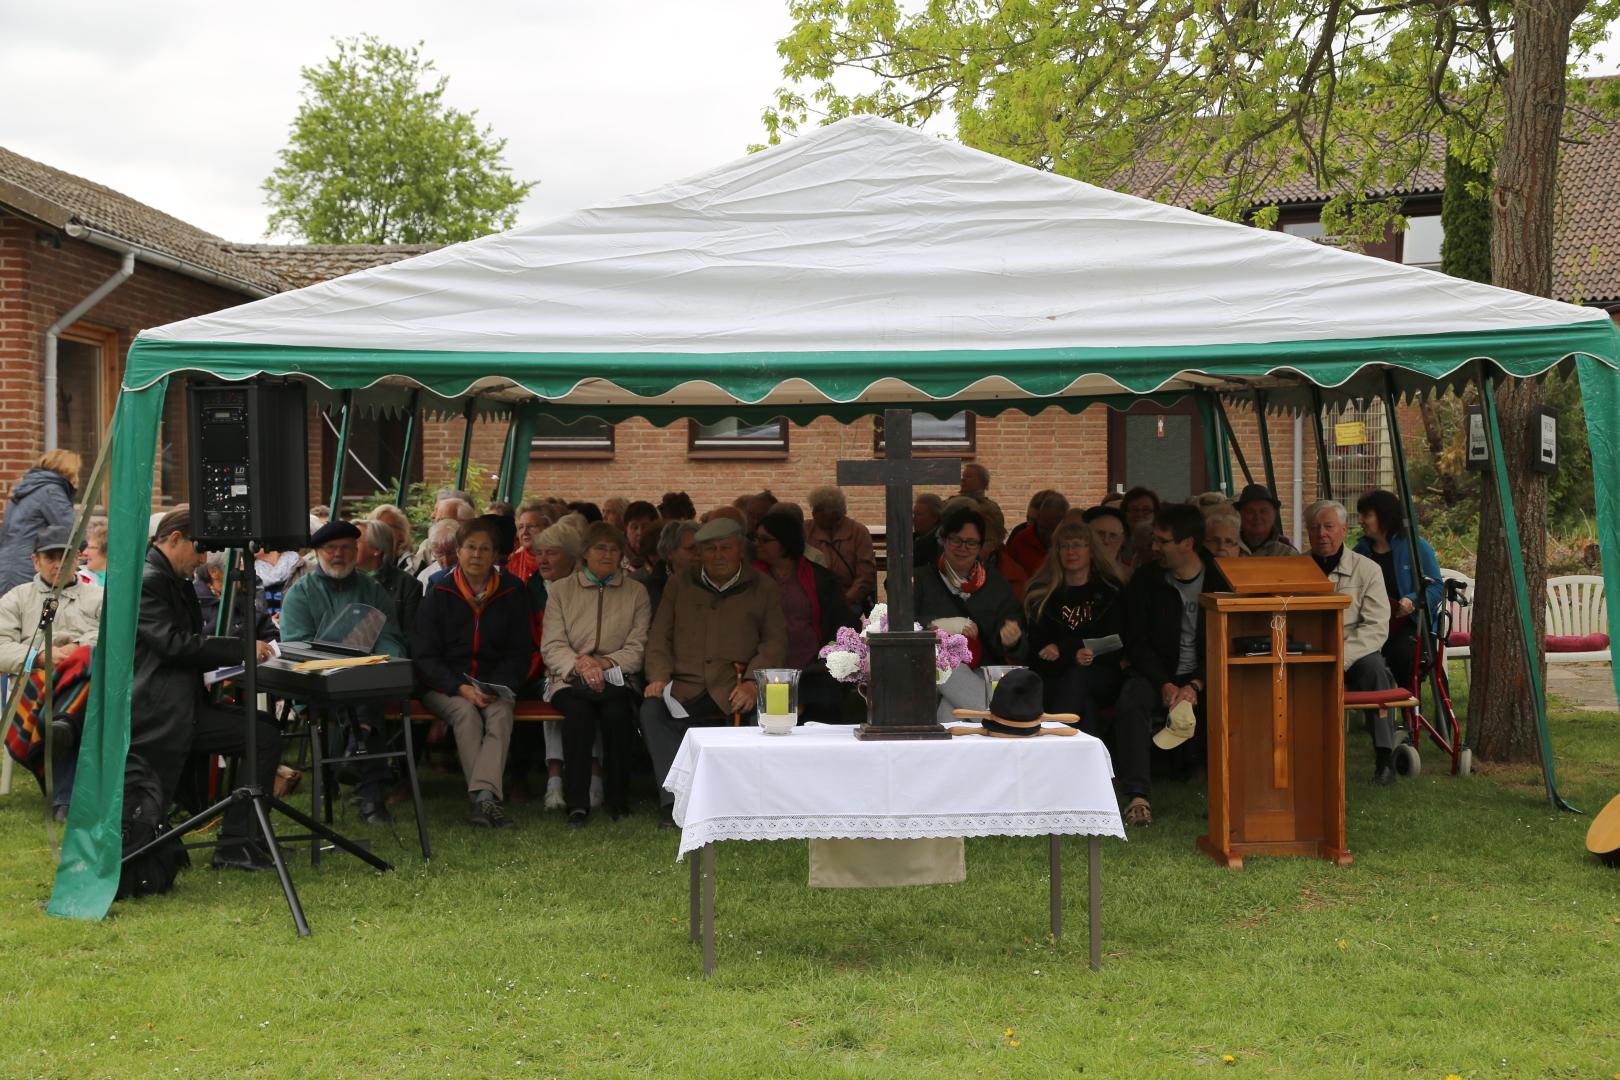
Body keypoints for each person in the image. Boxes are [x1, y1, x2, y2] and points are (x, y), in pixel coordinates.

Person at [127, 510, 282, 871]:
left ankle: (242, 840)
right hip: (161, 712)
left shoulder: (168, 577)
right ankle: (236, 844)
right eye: (199, 550)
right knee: (263, 736)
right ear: (175, 538)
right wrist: (240, 649)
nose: (201, 561)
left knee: (265, 731)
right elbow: (173, 644)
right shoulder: (151, 580)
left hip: (178, 703)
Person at [641, 517, 788, 826]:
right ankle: (675, 804)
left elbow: (774, 642)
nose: (718, 555)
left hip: (733, 686)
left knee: (765, 717)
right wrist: (658, 676)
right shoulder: (679, 583)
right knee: (652, 712)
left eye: (725, 548)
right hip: (684, 685)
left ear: (741, 552)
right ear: (699, 553)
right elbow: (659, 637)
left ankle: (743, 804)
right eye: (709, 549)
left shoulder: (763, 587)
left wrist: (752, 682)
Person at [280, 520, 410, 824]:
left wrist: (383, 661)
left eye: (345, 548)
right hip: (316, 681)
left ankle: (355, 752)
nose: (338, 554)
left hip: (365, 678)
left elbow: (390, 636)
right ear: (317, 553)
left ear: (356, 550)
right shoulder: (300, 594)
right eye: (330, 548)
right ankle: (371, 796)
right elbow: (297, 646)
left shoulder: (372, 588)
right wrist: (341, 665)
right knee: (362, 699)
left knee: (366, 690)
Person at [414, 518, 535, 828]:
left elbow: (521, 650)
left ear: (496, 555)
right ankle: (486, 800)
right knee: (465, 714)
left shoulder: (512, 590)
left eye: (485, 549)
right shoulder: (439, 589)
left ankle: (482, 801)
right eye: (470, 548)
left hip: (494, 684)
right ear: (458, 551)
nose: (477, 555)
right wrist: (459, 687)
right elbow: (424, 655)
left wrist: (499, 686)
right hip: (443, 686)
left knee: (500, 714)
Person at [1114, 504, 1230, 827]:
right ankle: (1137, 795)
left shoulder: (1222, 578)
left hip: (1207, 675)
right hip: (1156, 673)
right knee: (1131, 701)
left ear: (1188, 543)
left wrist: (1197, 684)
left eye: (1163, 541)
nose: (1154, 548)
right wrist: (1165, 683)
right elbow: (1136, 641)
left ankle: (1231, 792)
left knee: (1237, 700)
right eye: (1154, 539)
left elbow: (1230, 642)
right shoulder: (1146, 580)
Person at [540, 521, 651, 826]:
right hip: (568, 676)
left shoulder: (636, 592)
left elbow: (637, 646)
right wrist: (581, 665)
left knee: (617, 713)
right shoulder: (562, 590)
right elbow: (552, 644)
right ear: (585, 552)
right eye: (600, 548)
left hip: (617, 676)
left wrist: (603, 664)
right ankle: (577, 803)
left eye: (614, 549)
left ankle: (617, 799)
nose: (608, 554)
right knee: (578, 714)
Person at [0, 525, 103, 819]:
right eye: (51, 556)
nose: (59, 563)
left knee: (88, 664)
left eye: (66, 556)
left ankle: (64, 799)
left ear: (79, 558)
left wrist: (78, 649)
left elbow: (117, 635)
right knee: (75, 703)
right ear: (36, 561)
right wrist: (40, 657)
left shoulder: (99, 597)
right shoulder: (17, 599)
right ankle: (65, 725)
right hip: (36, 683)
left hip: (84, 677)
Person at [1306, 499, 1397, 785]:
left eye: (1329, 527)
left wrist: (1341, 656)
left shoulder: (1367, 570)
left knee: (1377, 672)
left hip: (1353, 652)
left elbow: (1376, 627)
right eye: (1315, 528)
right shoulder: (1294, 567)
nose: (1322, 534)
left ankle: (1385, 759)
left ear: (1344, 530)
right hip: (1305, 652)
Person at [915, 506, 1026, 724]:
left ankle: (990, 719)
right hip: (930, 670)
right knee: (946, 664)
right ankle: (1000, 719)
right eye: (956, 540)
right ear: (944, 541)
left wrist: (1011, 639)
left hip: (982, 672)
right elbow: (900, 623)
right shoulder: (921, 579)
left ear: (981, 547)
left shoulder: (996, 584)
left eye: (971, 542)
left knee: (950, 710)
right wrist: (942, 624)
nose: (963, 548)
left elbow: (1017, 644)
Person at [753, 509, 858, 722]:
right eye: (755, 538)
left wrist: (828, 658)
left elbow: (841, 622)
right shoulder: (749, 578)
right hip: (764, 669)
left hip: (812, 669)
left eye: (765, 540)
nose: (757, 544)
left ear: (785, 542)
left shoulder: (819, 577)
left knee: (823, 712)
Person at [1023, 521, 1125, 732]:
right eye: (1064, 546)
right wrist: (1071, 655)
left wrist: (1067, 649)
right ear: (1056, 552)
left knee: (1079, 676)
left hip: (1101, 673)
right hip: (1054, 676)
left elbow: (1117, 642)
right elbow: (1036, 652)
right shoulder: (1041, 596)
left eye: (1078, 545)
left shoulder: (1111, 591)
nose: (1071, 551)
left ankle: (1055, 742)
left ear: (1092, 551)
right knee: (1084, 703)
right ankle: (1088, 760)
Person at [526, 519, 592, 810]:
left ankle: (595, 777)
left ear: (571, 556)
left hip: (588, 665)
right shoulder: (532, 588)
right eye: (540, 552)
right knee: (554, 695)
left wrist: (580, 664)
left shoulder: (587, 588)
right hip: (542, 667)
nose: (542, 559)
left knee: (589, 696)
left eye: (551, 552)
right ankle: (554, 779)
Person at [1354, 489, 1444, 693]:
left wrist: (1412, 601)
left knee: (1402, 652)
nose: (1361, 521)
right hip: (1371, 623)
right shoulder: (1361, 552)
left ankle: (1410, 712)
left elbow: (1436, 587)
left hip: (1408, 625)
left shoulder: (1416, 547)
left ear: (1384, 516)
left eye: (1366, 515)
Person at [0, 449, 80, 597]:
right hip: (29, 570)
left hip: (7, 568)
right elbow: (76, 534)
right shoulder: (50, 491)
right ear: (69, 471)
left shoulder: (24, 489)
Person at [807, 485, 877, 611]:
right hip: (812, 599)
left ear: (833, 512)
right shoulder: (806, 529)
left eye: (818, 510)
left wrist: (846, 600)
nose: (813, 513)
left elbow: (865, 573)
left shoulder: (858, 531)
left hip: (848, 599)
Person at [357, 519, 419, 645]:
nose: (348, 548)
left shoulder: (407, 585)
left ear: (376, 549)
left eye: (356, 542)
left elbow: (410, 637)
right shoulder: (342, 580)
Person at [1001, 491, 1069, 585]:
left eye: (1053, 529)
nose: (1050, 535)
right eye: (1044, 528)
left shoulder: (1072, 544)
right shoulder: (1021, 540)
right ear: (1039, 519)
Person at [644, 519, 699, 617]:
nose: (698, 553)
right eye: (691, 548)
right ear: (670, 552)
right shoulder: (653, 588)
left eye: (701, 547)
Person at [1235, 484, 1299, 556]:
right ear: (1239, 515)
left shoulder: (1287, 554)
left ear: (1274, 514)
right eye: (1250, 511)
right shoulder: (1226, 548)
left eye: (1263, 511)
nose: (1257, 516)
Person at [505, 502, 551, 583]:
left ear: (547, 528)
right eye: (521, 527)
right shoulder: (513, 561)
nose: (525, 532)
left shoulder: (557, 561)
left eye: (531, 526)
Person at [416, 519, 461, 592]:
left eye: (451, 553)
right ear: (432, 552)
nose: (446, 560)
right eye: (439, 554)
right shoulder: (425, 577)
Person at [1081, 506, 1129, 573]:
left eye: (1113, 535)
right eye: (1100, 534)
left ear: (1122, 539)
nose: (1106, 541)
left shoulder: (1130, 576)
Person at [621, 500, 660, 576]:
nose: (640, 532)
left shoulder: (663, 558)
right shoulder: (617, 559)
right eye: (634, 527)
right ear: (626, 530)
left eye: (645, 527)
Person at [913, 493, 945, 569]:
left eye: (919, 515)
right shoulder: (913, 539)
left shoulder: (937, 545)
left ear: (935, 517)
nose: (913, 519)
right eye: (914, 514)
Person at [78, 518, 108, 587]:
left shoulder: (126, 580)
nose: (85, 552)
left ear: (107, 550)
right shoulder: (80, 580)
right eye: (87, 547)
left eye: (91, 548)